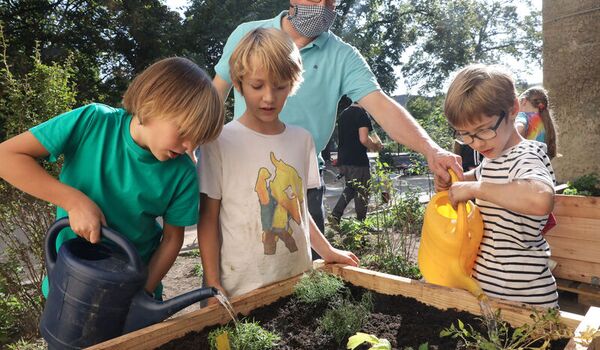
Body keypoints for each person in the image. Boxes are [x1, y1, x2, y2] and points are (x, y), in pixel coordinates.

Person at [211, 0, 462, 238]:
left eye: (330, 2)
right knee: (235, 258)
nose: (321, 8)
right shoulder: (248, 34)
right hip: (243, 172)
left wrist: (432, 150)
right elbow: (214, 96)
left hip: (304, 177)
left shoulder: (343, 56)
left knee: (308, 267)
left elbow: (383, 106)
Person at [0, 57, 224, 299]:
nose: (189, 146)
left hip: (133, 287)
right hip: (69, 287)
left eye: (197, 138)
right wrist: (74, 201)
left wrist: (141, 295)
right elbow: (6, 156)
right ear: (152, 104)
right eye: (183, 132)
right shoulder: (91, 122)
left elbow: (172, 239)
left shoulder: (182, 172)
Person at [197, 28, 359, 301]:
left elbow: (300, 209)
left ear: (293, 84)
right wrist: (212, 283)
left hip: (296, 281)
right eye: (257, 86)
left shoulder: (302, 140)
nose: (269, 97)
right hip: (240, 289)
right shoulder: (219, 141)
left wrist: (327, 250)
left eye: (280, 86)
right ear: (238, 83)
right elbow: (208, 218)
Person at [435, 64, 558, 307]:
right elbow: (475, 177)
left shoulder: (526, 156)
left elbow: (541, 199)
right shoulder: (493, 157)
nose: (476, 144)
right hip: (488, 292)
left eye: (483, 131)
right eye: (465, 135)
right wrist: (452, 179)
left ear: (513, 109)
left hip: (526, 301)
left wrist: (475, 189)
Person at [330, 103, 382, 225]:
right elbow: (364, 139)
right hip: (357, 160)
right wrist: (375, 147)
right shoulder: (362, 114)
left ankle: (335, 216)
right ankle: (361, 225)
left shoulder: (344, 113)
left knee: (352, 188)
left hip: (344, 159)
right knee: (362, 191)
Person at [516, 86, 558, 159]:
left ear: (523, 101)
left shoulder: (523, 116)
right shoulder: (546, 123)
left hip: (524, 164)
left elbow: (519, 128)